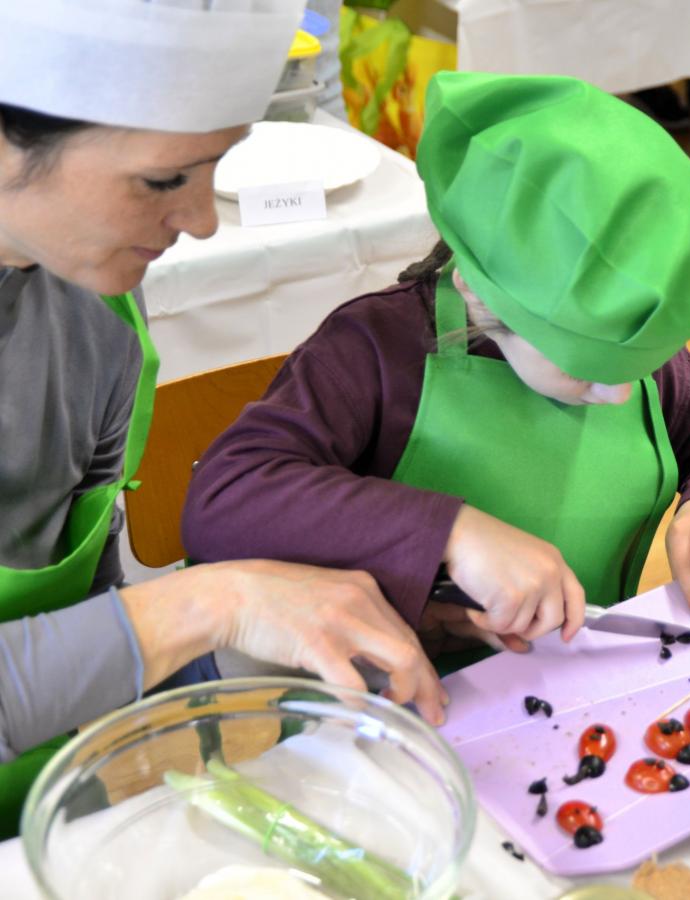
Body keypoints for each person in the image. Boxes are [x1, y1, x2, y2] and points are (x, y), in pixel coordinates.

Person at [0, 0, 445, 836]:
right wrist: (215, 603)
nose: (202, 221)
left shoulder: (95, 311)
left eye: (217, 167)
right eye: (164, 180)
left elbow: (87, 601)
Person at [182, 72, 690, 661]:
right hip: (395, 685)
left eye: (638, 367)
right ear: (478, 294)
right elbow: (226, 499)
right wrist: (453, 532)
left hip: (569, 676)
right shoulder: (371, 352)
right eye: (583, 368)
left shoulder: (621, 331)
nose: (619, 393)